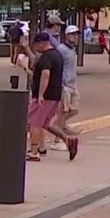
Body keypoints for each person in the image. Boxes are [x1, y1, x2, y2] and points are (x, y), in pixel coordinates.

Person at [26, 33, 74, 162]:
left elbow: (45, 74)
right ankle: (66, 139)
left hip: (44, 97)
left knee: (34, 123)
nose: (36, 47)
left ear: (42, 43)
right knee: (46, 123)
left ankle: (34, 152)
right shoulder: (57, 55)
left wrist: (40, 94)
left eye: (36, 44)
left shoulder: (46, 57)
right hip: (55, 95)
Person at [51, 26, 81, 159]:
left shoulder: (72, 50)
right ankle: (57, 140)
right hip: (64, 85)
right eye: (72, 35)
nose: (75, 37)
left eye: (76, 35)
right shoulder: (61, 50)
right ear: (67, 36)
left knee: (74, 109)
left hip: (72, 84)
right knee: (63, 111)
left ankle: (58, 125)